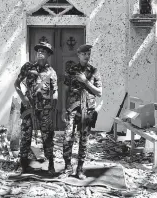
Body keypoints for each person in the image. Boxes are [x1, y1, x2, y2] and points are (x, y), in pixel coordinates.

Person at [14, 42, 58, 174]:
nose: (40, 53)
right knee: (26, 135)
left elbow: (54, 91)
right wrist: (23, 98)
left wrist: (53, 107)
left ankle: (51, 164)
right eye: (38, 50)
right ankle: (23, 164)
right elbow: (16, 84)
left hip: (45, 109)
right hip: (28, 108)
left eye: (43, 51)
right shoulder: (27, 67)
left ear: (48, 55)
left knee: (47, 136)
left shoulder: (51, 72)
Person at [61, 44, 103, 179]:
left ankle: (79, 169)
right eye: (84, 54)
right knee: (68, 138)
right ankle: (67, 167)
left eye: (88, 53)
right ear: (78, 55)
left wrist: (86, 82)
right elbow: (65, 90)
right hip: (72, 109)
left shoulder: (94, 71)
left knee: (83, 140)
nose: (86, 56)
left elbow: (99, 92)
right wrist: (63, 109)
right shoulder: (71, 70)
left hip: (87, 110)